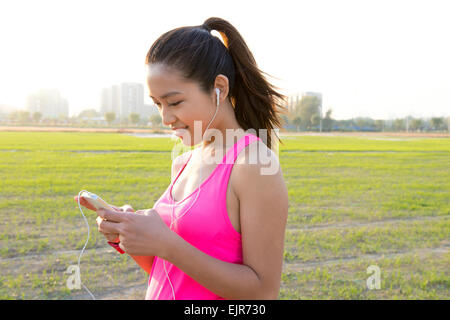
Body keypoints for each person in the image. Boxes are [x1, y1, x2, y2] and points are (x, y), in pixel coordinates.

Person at [75, 17, 289, 300]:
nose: (165, 117)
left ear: (219, 89)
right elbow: (170, 271)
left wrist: (167, 243)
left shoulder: (254, 165)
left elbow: (262, 293)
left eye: (174, 102)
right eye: (158, 104)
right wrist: (132, 235)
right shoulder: (183, 163)